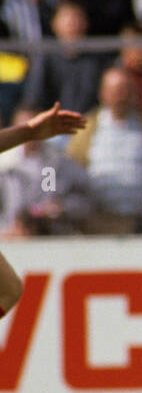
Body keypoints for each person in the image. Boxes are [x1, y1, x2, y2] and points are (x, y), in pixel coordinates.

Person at [0, 102, 86, 317]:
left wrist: (54, 209)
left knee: (11, 291)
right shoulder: (7, 163)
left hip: (47, 233)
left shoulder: (50, 162)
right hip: (9, 233)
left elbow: (52, 194)